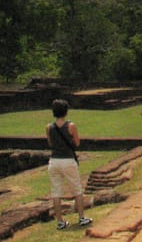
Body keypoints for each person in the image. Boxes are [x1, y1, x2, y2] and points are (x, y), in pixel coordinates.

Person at [46, 98, 93, 230]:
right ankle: (82, 218)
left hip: (54, 161)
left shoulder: (49, 127)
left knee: (56, 192)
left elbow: (50, 143)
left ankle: (60, 221)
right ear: (66, 111)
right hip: (68, 160)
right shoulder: (71, 126)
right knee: (77, 189)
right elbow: (77, 143)